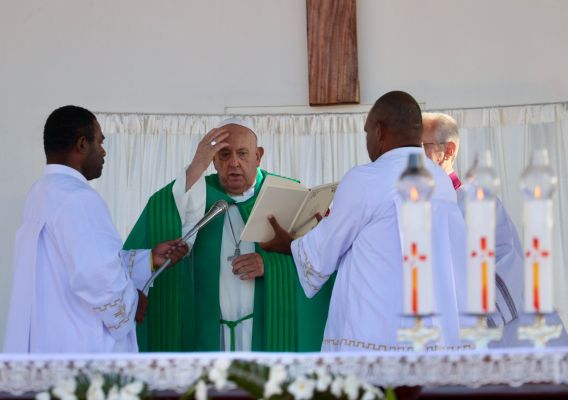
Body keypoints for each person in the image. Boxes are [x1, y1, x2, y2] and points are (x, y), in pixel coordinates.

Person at [261, 91, 468, 351]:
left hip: (375, 333)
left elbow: (324, 250)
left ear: (379, 132)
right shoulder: (441, 181)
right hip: (431, 332)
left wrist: (290, 244)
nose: (367, 139)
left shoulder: (366, 178)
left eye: (367, 132)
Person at [124, 117, 332, 352]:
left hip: (265, 335)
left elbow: (321, 261)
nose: (234, 162)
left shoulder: (290, 196)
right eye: (224, 155)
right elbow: (165, 212)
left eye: (243, 153)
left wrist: (270, 264)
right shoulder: (195, 197)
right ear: (212, 160)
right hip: (209, 338)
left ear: (258, 156)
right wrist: (195, 166)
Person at [3, 106, 188, 353]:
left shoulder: (41, 192)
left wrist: (149, 260)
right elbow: (96, 274)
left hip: (49, 339)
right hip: (81, 346)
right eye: (99, 142)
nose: (103, 151)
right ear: (82, 144)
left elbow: (72, 263)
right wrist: (132, 303)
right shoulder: (78, 197)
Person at [421, 112, 568, 346]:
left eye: (423, 146)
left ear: (449, 151)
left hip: (511, 336)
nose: (414, 156)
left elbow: (507, 267)